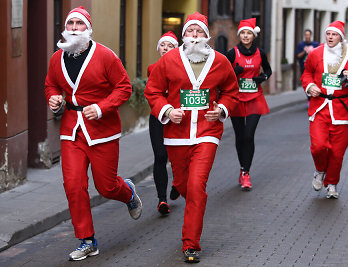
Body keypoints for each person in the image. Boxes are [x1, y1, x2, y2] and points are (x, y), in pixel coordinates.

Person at [44, 6, 142, 261]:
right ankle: (87, 240)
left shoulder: (106, 56)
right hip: (71, 130)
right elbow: (51, 83)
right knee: (74, 185)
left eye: (79, 23)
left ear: (88, 28)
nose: (74, 28)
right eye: (71, 24)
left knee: (107, 187)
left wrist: (101, 108)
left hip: (102, 130)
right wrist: (53, 98)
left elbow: (124, 88)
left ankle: (128, 192)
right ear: (65, 29)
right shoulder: (57, 58)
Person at [144, 12, 238, 263]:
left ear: (206, 35)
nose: (194, 37)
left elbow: (231, 91)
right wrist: (167, 110)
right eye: (190, 32)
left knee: (197, 187)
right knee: (186, 185)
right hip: (176, 135)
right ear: (183, 36)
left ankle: (191, 243)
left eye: (199, 32)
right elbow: (152, 91)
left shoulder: (220, 61)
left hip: (208, 132)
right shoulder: (169, 60)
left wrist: (222, 110)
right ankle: (182, 188)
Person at [301, 21, 348, 199]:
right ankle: (320, 170)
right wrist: (309, 86)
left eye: (334, 34)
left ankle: (332, 183)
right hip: (320, 107)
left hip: (341, 110)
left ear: (341, 37)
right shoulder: (316, 54)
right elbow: (306, 73)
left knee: (337, 153)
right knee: (318, 147)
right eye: (328, 34)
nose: (330, 37)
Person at [225, 18, 272, 190]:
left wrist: (263, 78)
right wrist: (233, 72)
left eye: (248, 33)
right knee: (240, 136)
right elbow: (222, 74)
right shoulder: (232, 53)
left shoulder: (260, 52)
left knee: (249, 135)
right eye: (243, 33)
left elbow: (268, 70)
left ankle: (246, 172)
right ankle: (242, 168)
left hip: (255, 98)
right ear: (239, 35)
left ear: (253, 35)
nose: (245, 36)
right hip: (236, 99)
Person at [147, 31, 179, 215]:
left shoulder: (182, 68)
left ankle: (178, 184)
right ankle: (162, 200)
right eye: (163, 45)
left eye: (170, 46)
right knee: (160, 156)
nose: (165, 48)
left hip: (177, 117)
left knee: (176, 156)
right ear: (158, 47)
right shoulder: (152, 68)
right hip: (158, 116)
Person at [296, 29, 319, 105]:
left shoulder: (315, 44)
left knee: (314, 82)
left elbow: (319, 56)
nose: (307, 36)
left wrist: (312, 51)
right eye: (306, 35)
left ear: (311, 35)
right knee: (305, 83)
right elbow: (298, 56)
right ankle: (309, 98)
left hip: (314, 68)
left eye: (308, 35)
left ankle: (313, 98)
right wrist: (304, 51)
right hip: (304, 67)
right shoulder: (301, 45)